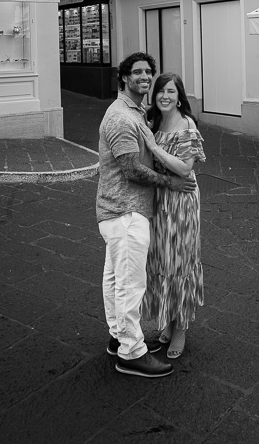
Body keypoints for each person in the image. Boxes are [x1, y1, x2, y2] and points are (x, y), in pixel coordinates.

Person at [96, 53, 197, 379]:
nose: (144, 77)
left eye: (148, 72)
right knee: (130, 283)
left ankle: (119, 336)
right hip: (125, 210)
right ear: (123, 78)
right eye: (137, 72)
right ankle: (131, 352)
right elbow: (131, 170)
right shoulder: (123, 118)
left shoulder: (138, 112)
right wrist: (171, 182)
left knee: (116, 278)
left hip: (129, 209)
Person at [141, 73, 206, 359]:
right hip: (159, 199)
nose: (165, 96)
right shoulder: (153, 121)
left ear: (180, 96)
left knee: (179, 262)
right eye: (160, 91)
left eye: (171, 91)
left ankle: (181, 327)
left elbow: (184, 167)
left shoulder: (186, 125)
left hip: (181, 202)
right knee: (160, 260)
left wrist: (154, 147)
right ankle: (167, 318)